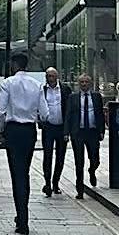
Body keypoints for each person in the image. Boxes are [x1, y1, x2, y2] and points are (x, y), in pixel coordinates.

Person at [0, 52, 44, 235]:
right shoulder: (37, 85)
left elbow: (0, 111)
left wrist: (0, 131)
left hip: (13, 130)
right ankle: (23, 215)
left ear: (14, 65)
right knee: (25, 172)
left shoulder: (7, 83)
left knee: (16, 173)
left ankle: (21, 217)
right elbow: (45, 113)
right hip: (29, 130)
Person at [66, 74, 105, 198]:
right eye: (81, 82)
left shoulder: (96, 97)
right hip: (78, 132)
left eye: (86, 82)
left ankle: (92, 170)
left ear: (90, 83)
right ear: (79, 84)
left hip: (92, 132)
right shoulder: (73, 97)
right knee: (79, 161)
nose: (84, 84)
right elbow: (68, 115)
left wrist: (102, 130)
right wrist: (66, 132)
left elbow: (100, 114)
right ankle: (80, 189)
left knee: (95, 159)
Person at [39, 67, 70, 196]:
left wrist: (68, 129)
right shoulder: (42, 90)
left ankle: (55, 182)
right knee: (47, 155)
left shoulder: (65, 89)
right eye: (48, 76)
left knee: (60, 156)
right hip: (48, 127)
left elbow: (69, 109)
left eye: (52, 76)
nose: (50, 79)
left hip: (61, 127)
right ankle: (47, 183)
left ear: (57, 77)